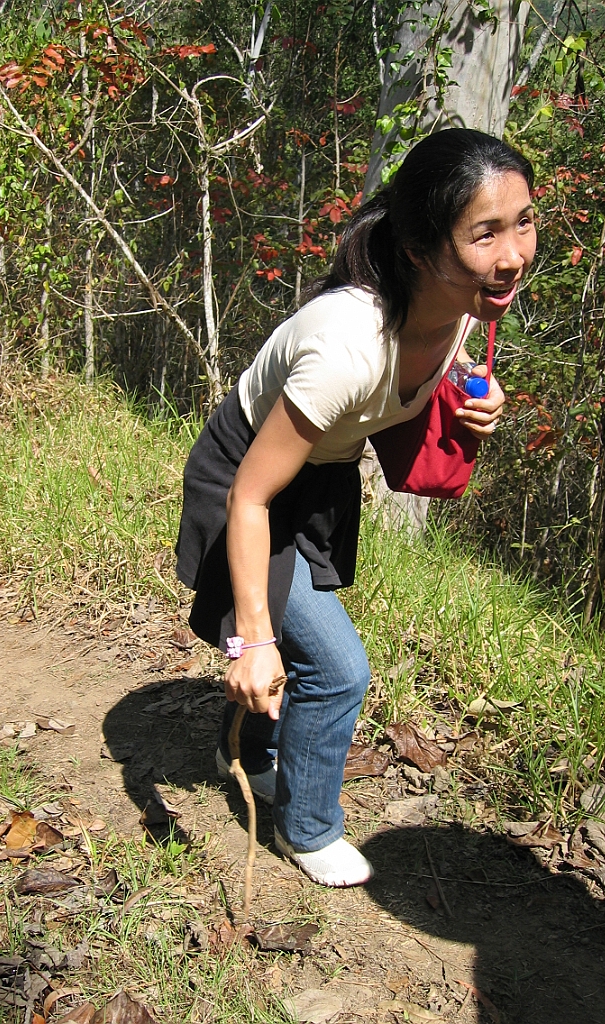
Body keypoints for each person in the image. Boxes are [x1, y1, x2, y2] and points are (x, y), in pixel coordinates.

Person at [175, 128, 536, 887]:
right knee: (337, 668)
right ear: (418, 248)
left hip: (324, 475)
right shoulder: (346, 342)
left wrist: (475, 391)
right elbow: (249, 495)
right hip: (250, 477)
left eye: (523, 221)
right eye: (485, 234)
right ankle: (307, 830)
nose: (512, 255)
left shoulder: (466, 302)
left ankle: (243, 750)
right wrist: (250, 643)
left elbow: (444, 355)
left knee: (304, 648)